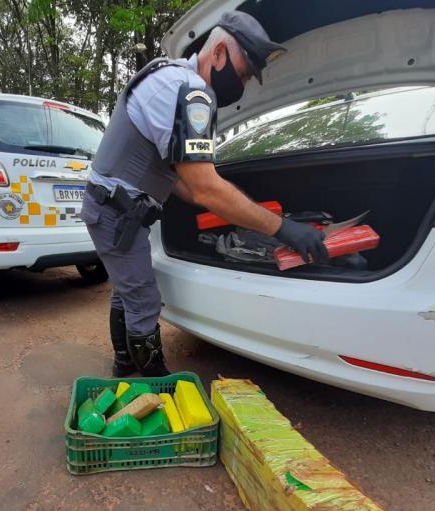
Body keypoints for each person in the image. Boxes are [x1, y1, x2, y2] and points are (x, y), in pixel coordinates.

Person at [81, 10, 328, 378]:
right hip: (115, 214)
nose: (244, 84)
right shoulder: (189, 91)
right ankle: (156, 385)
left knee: (128, 290)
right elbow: (204, 187)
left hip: (118, 210)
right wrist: (283, 228)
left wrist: (216, 197)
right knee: (144, 299)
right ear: (219, 53)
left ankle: (124, 365)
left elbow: (182, 181)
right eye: (244, 73)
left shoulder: (171, 78)